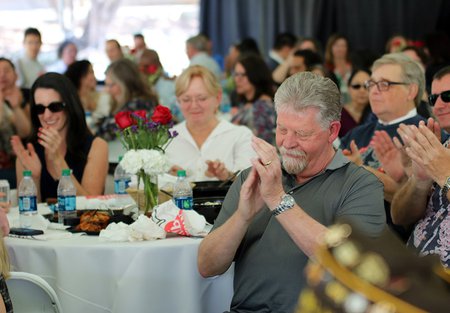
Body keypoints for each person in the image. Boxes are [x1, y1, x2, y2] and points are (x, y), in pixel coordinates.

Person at [198, 72, 386, 313]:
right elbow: (206, 266)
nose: (287, 143)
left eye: (302, 133)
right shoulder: (253, 177)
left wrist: (277, 199)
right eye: (282, 129)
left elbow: (353, 266)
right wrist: (242, 216)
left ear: (332, 131)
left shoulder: (360, 185)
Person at [340, 53, 427, 241]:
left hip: (393, 240)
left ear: (411, 91)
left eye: (385, 84)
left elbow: (424, 205)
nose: (374, 91)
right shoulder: (356, 134)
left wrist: (358, 171)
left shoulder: (427, 135)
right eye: (371, 84)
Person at [11, 73, 108, 202]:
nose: (46, 115)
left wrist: (59, 164)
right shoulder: (28, 153)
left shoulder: (96, 146)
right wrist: (34, 178)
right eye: (40, 108)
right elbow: (29, 215)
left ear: (70, 105)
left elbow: (91, 206)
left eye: (54, 107)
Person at [390, 66, 450, 268]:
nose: (439, 105)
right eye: (433, 99)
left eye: (447, 96)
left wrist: (445, 175)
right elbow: (399, 217)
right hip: (413, 273)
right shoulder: (440, 149)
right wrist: (419, 181)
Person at [166, 65, 255, 181]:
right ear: (178, 101)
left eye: (201, 98)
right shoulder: (167, 139)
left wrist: (228, 176)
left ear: (218, 98)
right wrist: (167, 178)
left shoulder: (240, 136)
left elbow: (251, 183)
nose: (194, 106)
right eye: (186, 100)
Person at [97, 58, 158, 141]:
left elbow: (106, 135)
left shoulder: (136, 106)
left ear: (124, 84)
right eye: (106, 85)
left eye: (111, 85)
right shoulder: (137, 100)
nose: (107, 90)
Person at [0, 58, 32, 187]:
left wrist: (16, 106)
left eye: (6, 70)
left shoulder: (26, 94)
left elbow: (26, 132)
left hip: (22, 162)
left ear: (16, 74)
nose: (2, 75)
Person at [231, 54, 276, 144]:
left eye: (243, 75)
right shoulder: (248, 103)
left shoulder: (262, 107)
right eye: (236, 74)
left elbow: (262, 144)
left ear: (255, 76)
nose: (237, 79)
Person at [64, 60, 111, 132]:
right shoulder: (72, 105)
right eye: (91, 72)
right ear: (80, 77)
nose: (94, 76)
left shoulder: (104, 97)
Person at [339, 68, 372, 137]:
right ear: (348, 88)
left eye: (367, 86)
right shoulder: (338, 115)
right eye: (356, 86)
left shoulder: (377, 114)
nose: (362, 90)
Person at [325, 34, 353, 104]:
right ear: (330, 48)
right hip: (333, 104)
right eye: (336, 46)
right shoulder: (326, 68)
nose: (340, 49)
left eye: (343, 46)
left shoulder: (354, 66)